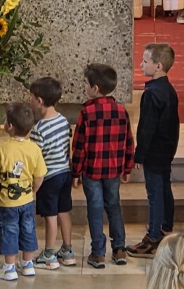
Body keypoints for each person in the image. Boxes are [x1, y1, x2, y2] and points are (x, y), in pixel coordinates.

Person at [71, 63, 134, 267]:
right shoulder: (121, 111)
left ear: (95, 88)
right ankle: (120, 249)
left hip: (91, 171)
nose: (84, 87)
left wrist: (75, 171)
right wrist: (127, 168)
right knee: (114, 207)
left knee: (95, 209)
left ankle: (98, 253)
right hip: (114, 170)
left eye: (86, 84)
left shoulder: (87, 113)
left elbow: (79, 146)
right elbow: (128, 142)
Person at [128, 42, 179, 258]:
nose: (140, 64)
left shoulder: (151, 94)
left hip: (155, 151)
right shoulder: (168, 89)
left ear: (158, 66)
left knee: (155, 194)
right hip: (166, 149)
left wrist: (140, 154)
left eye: (145, 61)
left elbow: (147, 128)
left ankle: (153, 238)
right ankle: (166, 229)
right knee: (165, 190)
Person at [0, 102, 46, 281]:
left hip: (6, 202)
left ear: (9, 126)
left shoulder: (1, 148)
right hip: (27, 199)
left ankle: (9, 267)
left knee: (9, 231)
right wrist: (33, 191)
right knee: (28, 228)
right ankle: (28, 263)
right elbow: (39, 176)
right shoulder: (34, 148)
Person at [28, 77, 75, 269]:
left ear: (39, 101)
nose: (29, 100)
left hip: (49, 177)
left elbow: (35, 158)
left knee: (50, 215)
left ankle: (49, 253)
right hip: (64, 172)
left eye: (31, 97)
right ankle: (68, 250)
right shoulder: (63, 120)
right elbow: (67, 146)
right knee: (64, 211)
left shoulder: (38, 129)